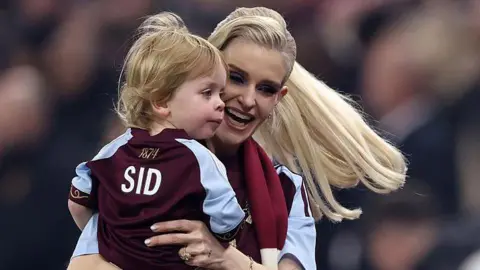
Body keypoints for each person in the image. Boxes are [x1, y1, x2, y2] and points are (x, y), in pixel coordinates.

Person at [67, 7, 406, 270]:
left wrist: (225, 258)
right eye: (236, 78)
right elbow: (88, 262)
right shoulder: (140, 160)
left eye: (266, 88)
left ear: (278, 99)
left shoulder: (286, 191)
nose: (247, 99)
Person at [67, 12, 246, 270]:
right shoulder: (200, 160)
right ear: (162, 101)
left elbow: (77, 200)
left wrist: (107, 238)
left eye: (221, 93)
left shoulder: (114, 150)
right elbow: (228, 223)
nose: (220, 104)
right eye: (208, 93)